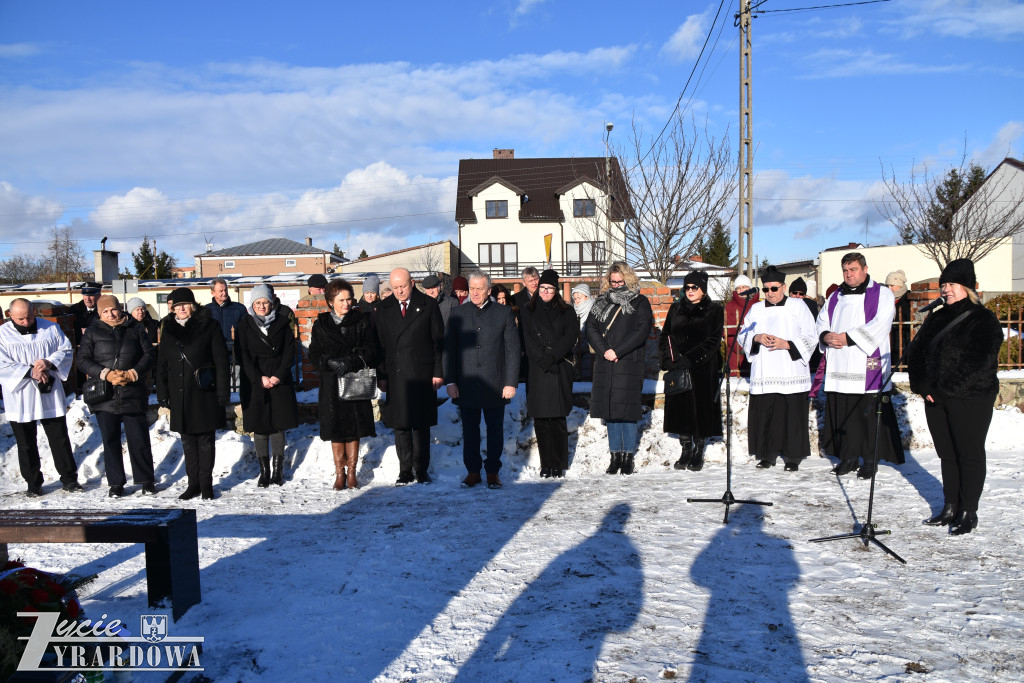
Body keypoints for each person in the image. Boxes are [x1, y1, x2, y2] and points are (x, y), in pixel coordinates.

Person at [908, 259, 1002, 536]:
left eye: (951, 284)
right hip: (936, 397)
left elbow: (979, 362)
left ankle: (968, 510)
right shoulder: (936, 316)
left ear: (967, 287)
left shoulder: (983, 319)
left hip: (971, 398)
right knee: (947, 454)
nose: (946, 290)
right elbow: (917, 352)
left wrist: (943, 389)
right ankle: (950, 506)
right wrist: (922, 385)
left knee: (969, 454)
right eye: (943, 284)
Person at [816, 252, 904, 478]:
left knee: (866, 415)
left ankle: (869, 460)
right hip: (839, 363)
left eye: (853, 269)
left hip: (866, 362)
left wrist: (848, 338)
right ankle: (848, 457)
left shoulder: (881, 293)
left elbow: (882, 322)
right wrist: (825, 336)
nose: (849, 274)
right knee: (844, 412)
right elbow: (822, 321)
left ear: (864, 269)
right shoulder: (835, 296)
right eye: (845, 270)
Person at [736, 267, 817, 472]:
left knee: (791, 415)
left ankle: (793, 456)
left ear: (783, 287)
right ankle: (767, 454)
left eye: (774, 288)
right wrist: (756, 338)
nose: (770, 293)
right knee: (767, 414)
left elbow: (811, 335)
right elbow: (742, 334)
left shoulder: (798, 306)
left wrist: (787, 344)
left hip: (790, 368)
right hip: (765, 370)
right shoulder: (756, 309)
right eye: (766, 289)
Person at [444, 271, 519, 488]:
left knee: (495, 430)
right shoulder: (457, 313)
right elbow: (449, 349)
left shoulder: (503, 313)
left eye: (480, 288)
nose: (475, 292)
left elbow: (513, 350)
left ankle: (493, 472)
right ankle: (473, 471)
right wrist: (451, 381)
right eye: (472, 288)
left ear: (488, 290)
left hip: (495, 384)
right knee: (470, 431)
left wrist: (510, 381)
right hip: (466, 384)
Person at [77, 294, 157, 496]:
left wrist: (133, 373)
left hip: (133, 391)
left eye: (113, 309)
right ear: (99, 313)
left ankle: (146, 480)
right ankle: (116, 483)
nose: (111, 314)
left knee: (138, 438)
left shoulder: (135, 328)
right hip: (106, 395)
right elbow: (82, 359)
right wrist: (106, 374)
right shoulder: (93, 332)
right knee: (110, 440)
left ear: (120, 309)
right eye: (105, 311)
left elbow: (149, 354)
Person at [0, 299, 82, 495]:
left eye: (30, 316)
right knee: (26, 441)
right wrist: (30, 372)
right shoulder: (2, 335)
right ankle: (33, 483)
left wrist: (49, 362)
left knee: (59, 437)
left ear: (35, 312)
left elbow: (66, 350)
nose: (27, 321)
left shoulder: (51, 328)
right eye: (21, 318)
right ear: (9, 315)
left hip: (48, 391)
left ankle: (69, 479)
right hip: (20, 394)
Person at [156, 287, 231, 500]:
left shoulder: (209, 325)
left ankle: (206, 485)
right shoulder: (168, 328)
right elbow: (162, 362)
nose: (181, 309)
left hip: (203, 391)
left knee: (206, 440)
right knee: (187, 441)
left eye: (185, 305)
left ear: (192, 306)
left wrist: (223, 391)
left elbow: (221, 361)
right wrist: (162, 392)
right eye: (177, 306)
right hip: (179, 393)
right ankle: (193, 485)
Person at [374, 268, 444, 485]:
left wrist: (438, 373)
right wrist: (381, 376)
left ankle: (421, 470)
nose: (399, 291)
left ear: (412, 283)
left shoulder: (428, 305)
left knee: (421, 425)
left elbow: (439, 343)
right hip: (396, 375)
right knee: (401, 425)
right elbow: (379, 346)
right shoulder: (383, 309)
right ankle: (405, 471)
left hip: (422, 373)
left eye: (402, 286)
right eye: (395, 288)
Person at [307, 279, 379, 490]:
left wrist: (350, 361)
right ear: (330, 301)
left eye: (349, 299)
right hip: (331, 383)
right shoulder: (321, 324)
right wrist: (327, 362)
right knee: (335, 429)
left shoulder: (361, 321)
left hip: (354, 380)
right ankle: (340, 473)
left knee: (353, 429)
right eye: (341, 300)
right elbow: (313, 353)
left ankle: (352, 474)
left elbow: (372, 350)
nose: (346, 304)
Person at [588, 262, 653, 475]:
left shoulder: (639, 301)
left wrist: (618, 350)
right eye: (612, 281)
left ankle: (628, 457)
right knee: (611, 410)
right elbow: (590, 327)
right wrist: (604, 349)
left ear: (628, 279)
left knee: (627, 411)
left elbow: (642, 330)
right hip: (606, 362)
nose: (616, 285)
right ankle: (615, 455)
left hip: (628, 361)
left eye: (620, 281)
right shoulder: (601, 302)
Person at [659, 270, 723, 472]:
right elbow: (665, 336)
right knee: (680, 409)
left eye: (694, 287)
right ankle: (686, 448)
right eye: (687, 287)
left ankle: (698, 450)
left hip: (702, 368)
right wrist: (668, 360)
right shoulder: (676, 308)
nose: (690, 291)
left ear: (703, 289)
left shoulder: (714, 310)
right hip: (677, 366)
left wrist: (691, 358)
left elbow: (713, 340)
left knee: (701, 409)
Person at [236, 284, 299, 488]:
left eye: (265, 302)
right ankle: (264, 471)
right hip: (254, 380)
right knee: (260, 426)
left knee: (277, 425)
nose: (262, 306)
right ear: (252, 305)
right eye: (258, 303)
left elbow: (290, 351)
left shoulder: (282, 322)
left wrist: (278, 376)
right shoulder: (244, 325)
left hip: (279, 379)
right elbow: (242, 355)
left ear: (271, 303)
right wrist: (259, 378)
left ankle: (278, 470)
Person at [520, 269, 578, 478]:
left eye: (550, 288)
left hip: (559, 366)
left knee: (558, 418)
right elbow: (527, 338)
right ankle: (547, 464)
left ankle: (559, 463)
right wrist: (541, 358)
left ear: (556, 290)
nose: (545, 291)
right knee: (542, 420)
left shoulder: (567, 311)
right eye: (543, 287)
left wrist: (553, 356)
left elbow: (570, 336)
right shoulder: (527, 310)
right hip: (538, 369)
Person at [207, 277, 246, 396]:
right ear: (213, 292)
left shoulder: (239, 309)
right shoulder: (206, 310)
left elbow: (245, 331)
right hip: (213, 359)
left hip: (234, 358)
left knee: (236, 390)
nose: (224, 293)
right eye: (221, 291)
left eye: (225, 290)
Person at [725, 274, 759, 377]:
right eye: (738, 288)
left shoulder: (759, 305)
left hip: (757, 352)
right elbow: (727, 334)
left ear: (750, 288)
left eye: (744, 287)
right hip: (736, 354)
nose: (742, 290)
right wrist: (741, 348)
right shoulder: (729, 307)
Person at [885, 270, 912, 366]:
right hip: (890, 340)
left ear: (900, 285)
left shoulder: (909, 299)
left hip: (904, 339)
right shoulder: (886, 300)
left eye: (892, 285)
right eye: (887, 285)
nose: (889, 288)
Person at [571, 283, 594, 381]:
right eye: (575, 299)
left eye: (579, 297)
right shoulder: (573, 312)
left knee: (588, 376)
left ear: (587, 296)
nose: (577, 301)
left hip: (591, 350)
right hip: (577, 350)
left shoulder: (593, 310)